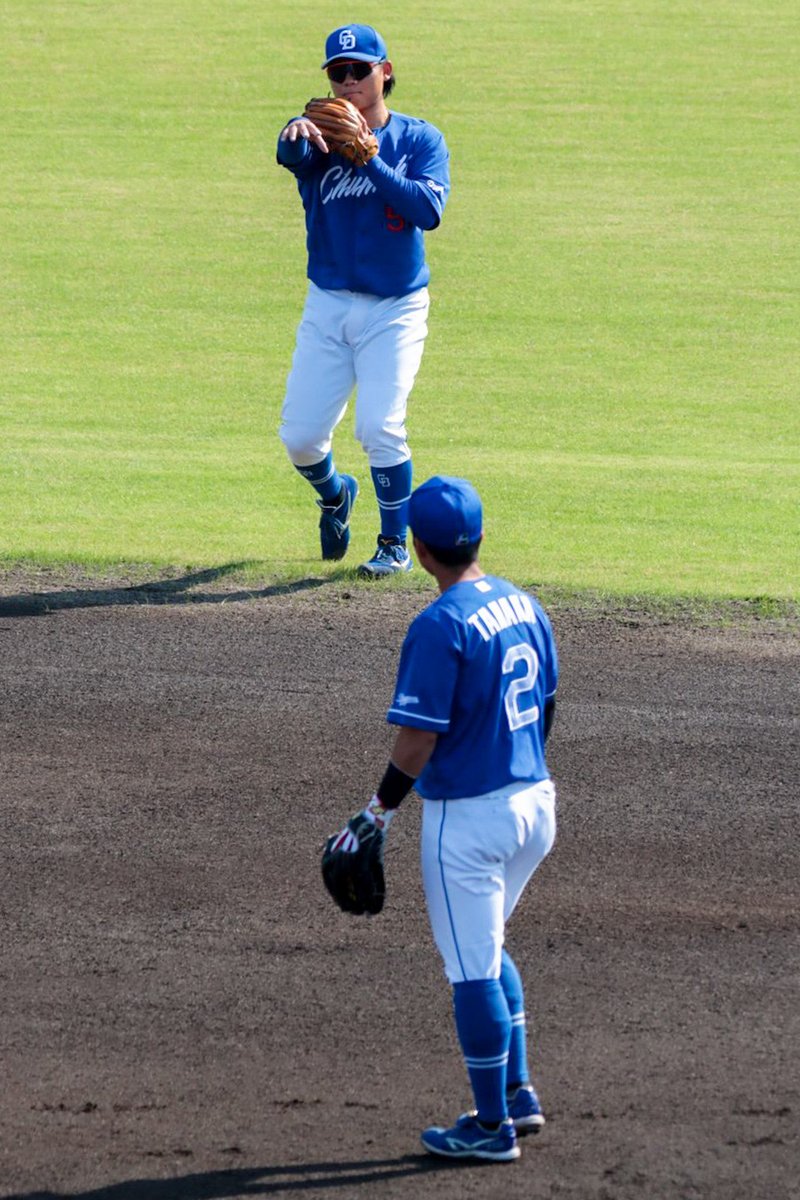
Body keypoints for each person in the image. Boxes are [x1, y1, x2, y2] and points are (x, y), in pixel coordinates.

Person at [327, 476, 559, 1162]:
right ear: (480, 537)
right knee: (486, 949)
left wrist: (378, 812)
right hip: (535, 805)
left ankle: (491, 1130)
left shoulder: (439, 625)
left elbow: (418, 741)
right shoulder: (524, 601)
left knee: (470, 972)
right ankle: (517, 1095)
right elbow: (546, 707)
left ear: (421, 553)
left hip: (470, 822)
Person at [276, 24, 450, 578]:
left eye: (360, 69)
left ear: (385, 72)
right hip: (326, 306)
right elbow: (289, 155)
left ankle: (393, 544)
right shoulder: (318, 137)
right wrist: (293, 134)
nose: (349, 80)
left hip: (395, 309)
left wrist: (370, 159)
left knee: (379, 427)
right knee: (301, 439)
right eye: (338, 72)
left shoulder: (421, 141)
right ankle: (334, 496)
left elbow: (428, 212)